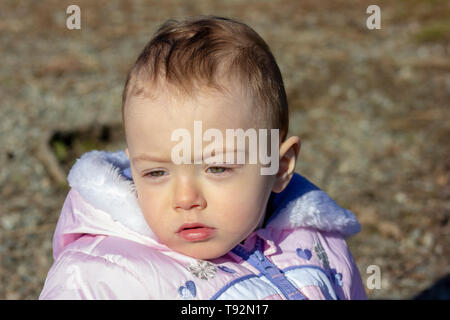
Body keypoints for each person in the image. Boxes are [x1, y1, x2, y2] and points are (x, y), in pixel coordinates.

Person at [39, 15, 367, 300]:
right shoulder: (97, 279)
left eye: (217, 168)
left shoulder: (318, 242)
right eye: (155, 173)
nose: (185, 199)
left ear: (279, 166)